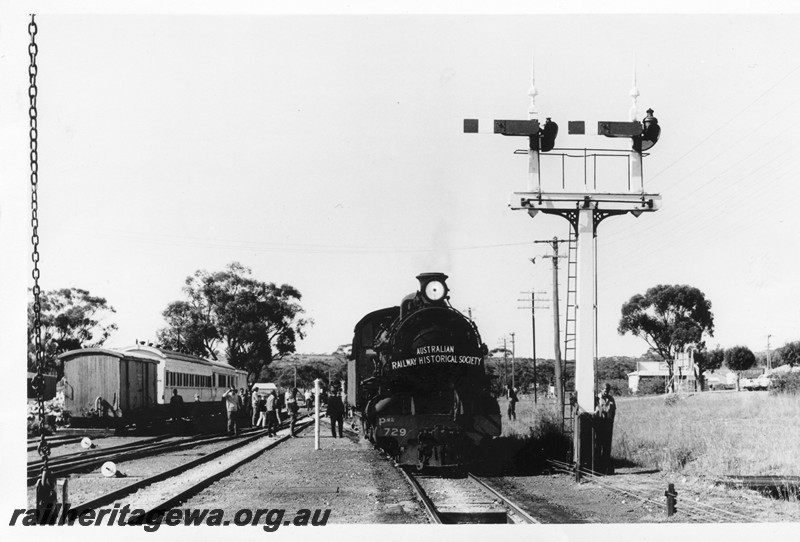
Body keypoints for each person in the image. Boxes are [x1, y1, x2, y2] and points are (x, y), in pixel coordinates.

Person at [594, 383, 617, 475]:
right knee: (598, 447)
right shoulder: (597, 398)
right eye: (604, 389)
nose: (605, 391)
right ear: (601, 389)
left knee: (607, 448)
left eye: (607, 389)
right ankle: (598, 469)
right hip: (599, 425)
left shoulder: (611, 399)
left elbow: (613, 411)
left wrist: (611, 421)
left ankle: (605, 468)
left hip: (608, 426)